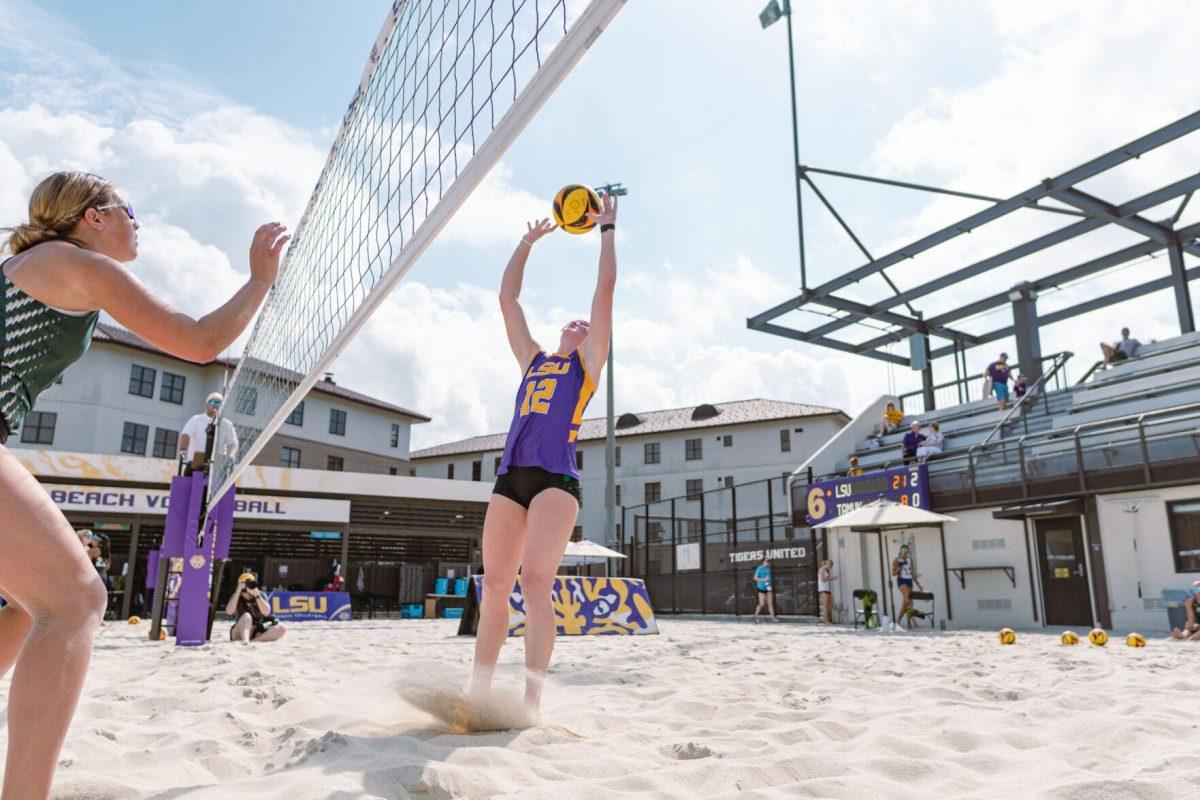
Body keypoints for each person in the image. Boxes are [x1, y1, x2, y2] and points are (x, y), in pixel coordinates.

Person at [0, 170, 288, 798]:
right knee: (76, 601)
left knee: (32, 602)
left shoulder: (31, 267)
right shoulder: (78, 264)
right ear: (93, 217)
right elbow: (200, 341)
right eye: (128, 209)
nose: (138, 222)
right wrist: (260, 280)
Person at [471, 193, 618, 714]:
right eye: (573, 323)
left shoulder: (587, 368)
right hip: (510, 478)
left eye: (586, 327)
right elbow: (508, 300)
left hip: (556, 481)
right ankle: (479, 696)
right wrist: (527, 242)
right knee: (494, 586)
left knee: (535, 582)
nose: (580, 324)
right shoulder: (533, 360)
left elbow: (604, 291)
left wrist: (606, 231)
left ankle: (531, 701)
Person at [179, 391, 238, 472]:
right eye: (213, 402)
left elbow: (233, 443)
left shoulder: (227, 424)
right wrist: (183, 449)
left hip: (217, 467)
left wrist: (231, 455)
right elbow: (186, 434)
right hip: (194, 465)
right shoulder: (196, 419)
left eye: (219, 403)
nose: (215, 405)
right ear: (206, 404)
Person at [224, 573, 285, 644]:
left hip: (257, 629)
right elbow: (229, 612)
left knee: (281, 629)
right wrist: (237, 591)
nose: (248, 586)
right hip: (240, 630)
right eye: (246, 584)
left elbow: (266, 612)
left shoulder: (259, 594)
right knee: (247, 616)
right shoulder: (237, 596)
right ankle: (245, 640)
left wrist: (257, 595)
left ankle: (253, 641)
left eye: (251, 583)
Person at [892, 544, 923, 623]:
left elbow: (911, 572)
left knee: (905, 604)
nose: (905, 553)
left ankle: (898, 620)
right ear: (901, 551)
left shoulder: (909, 559)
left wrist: (918, 584)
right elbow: (893, 573)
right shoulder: (896, 560)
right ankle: (913, 622)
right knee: (909, 600)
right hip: (902, 581)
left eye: (906, 551)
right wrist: (898, 569)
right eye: (903, 551)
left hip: (909, 581)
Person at [752, 556, 778, 622]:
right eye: (767, 561)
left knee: (770, 603)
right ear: (763, 562)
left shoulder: (768, 569)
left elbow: (768, 578)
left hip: (768, 588)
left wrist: (769, 584)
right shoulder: (759, 568)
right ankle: (755, 617)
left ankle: (773, 618)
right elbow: (755, 578)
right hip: (761, 588)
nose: (768, 562)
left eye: (769, 561)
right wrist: (763, 579)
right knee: (762, 604)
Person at [818, 559, 836, 624]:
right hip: (823, 589)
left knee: (831, 604)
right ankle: (826, 620)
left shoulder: (826, 570)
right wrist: (831, 578)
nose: (830, 566)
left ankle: (824, 618)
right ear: (826, 564)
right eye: (830, 565)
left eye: (831, 565)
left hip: (827, 589)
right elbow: (822, 579)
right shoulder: (822, 569)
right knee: (825, 606)